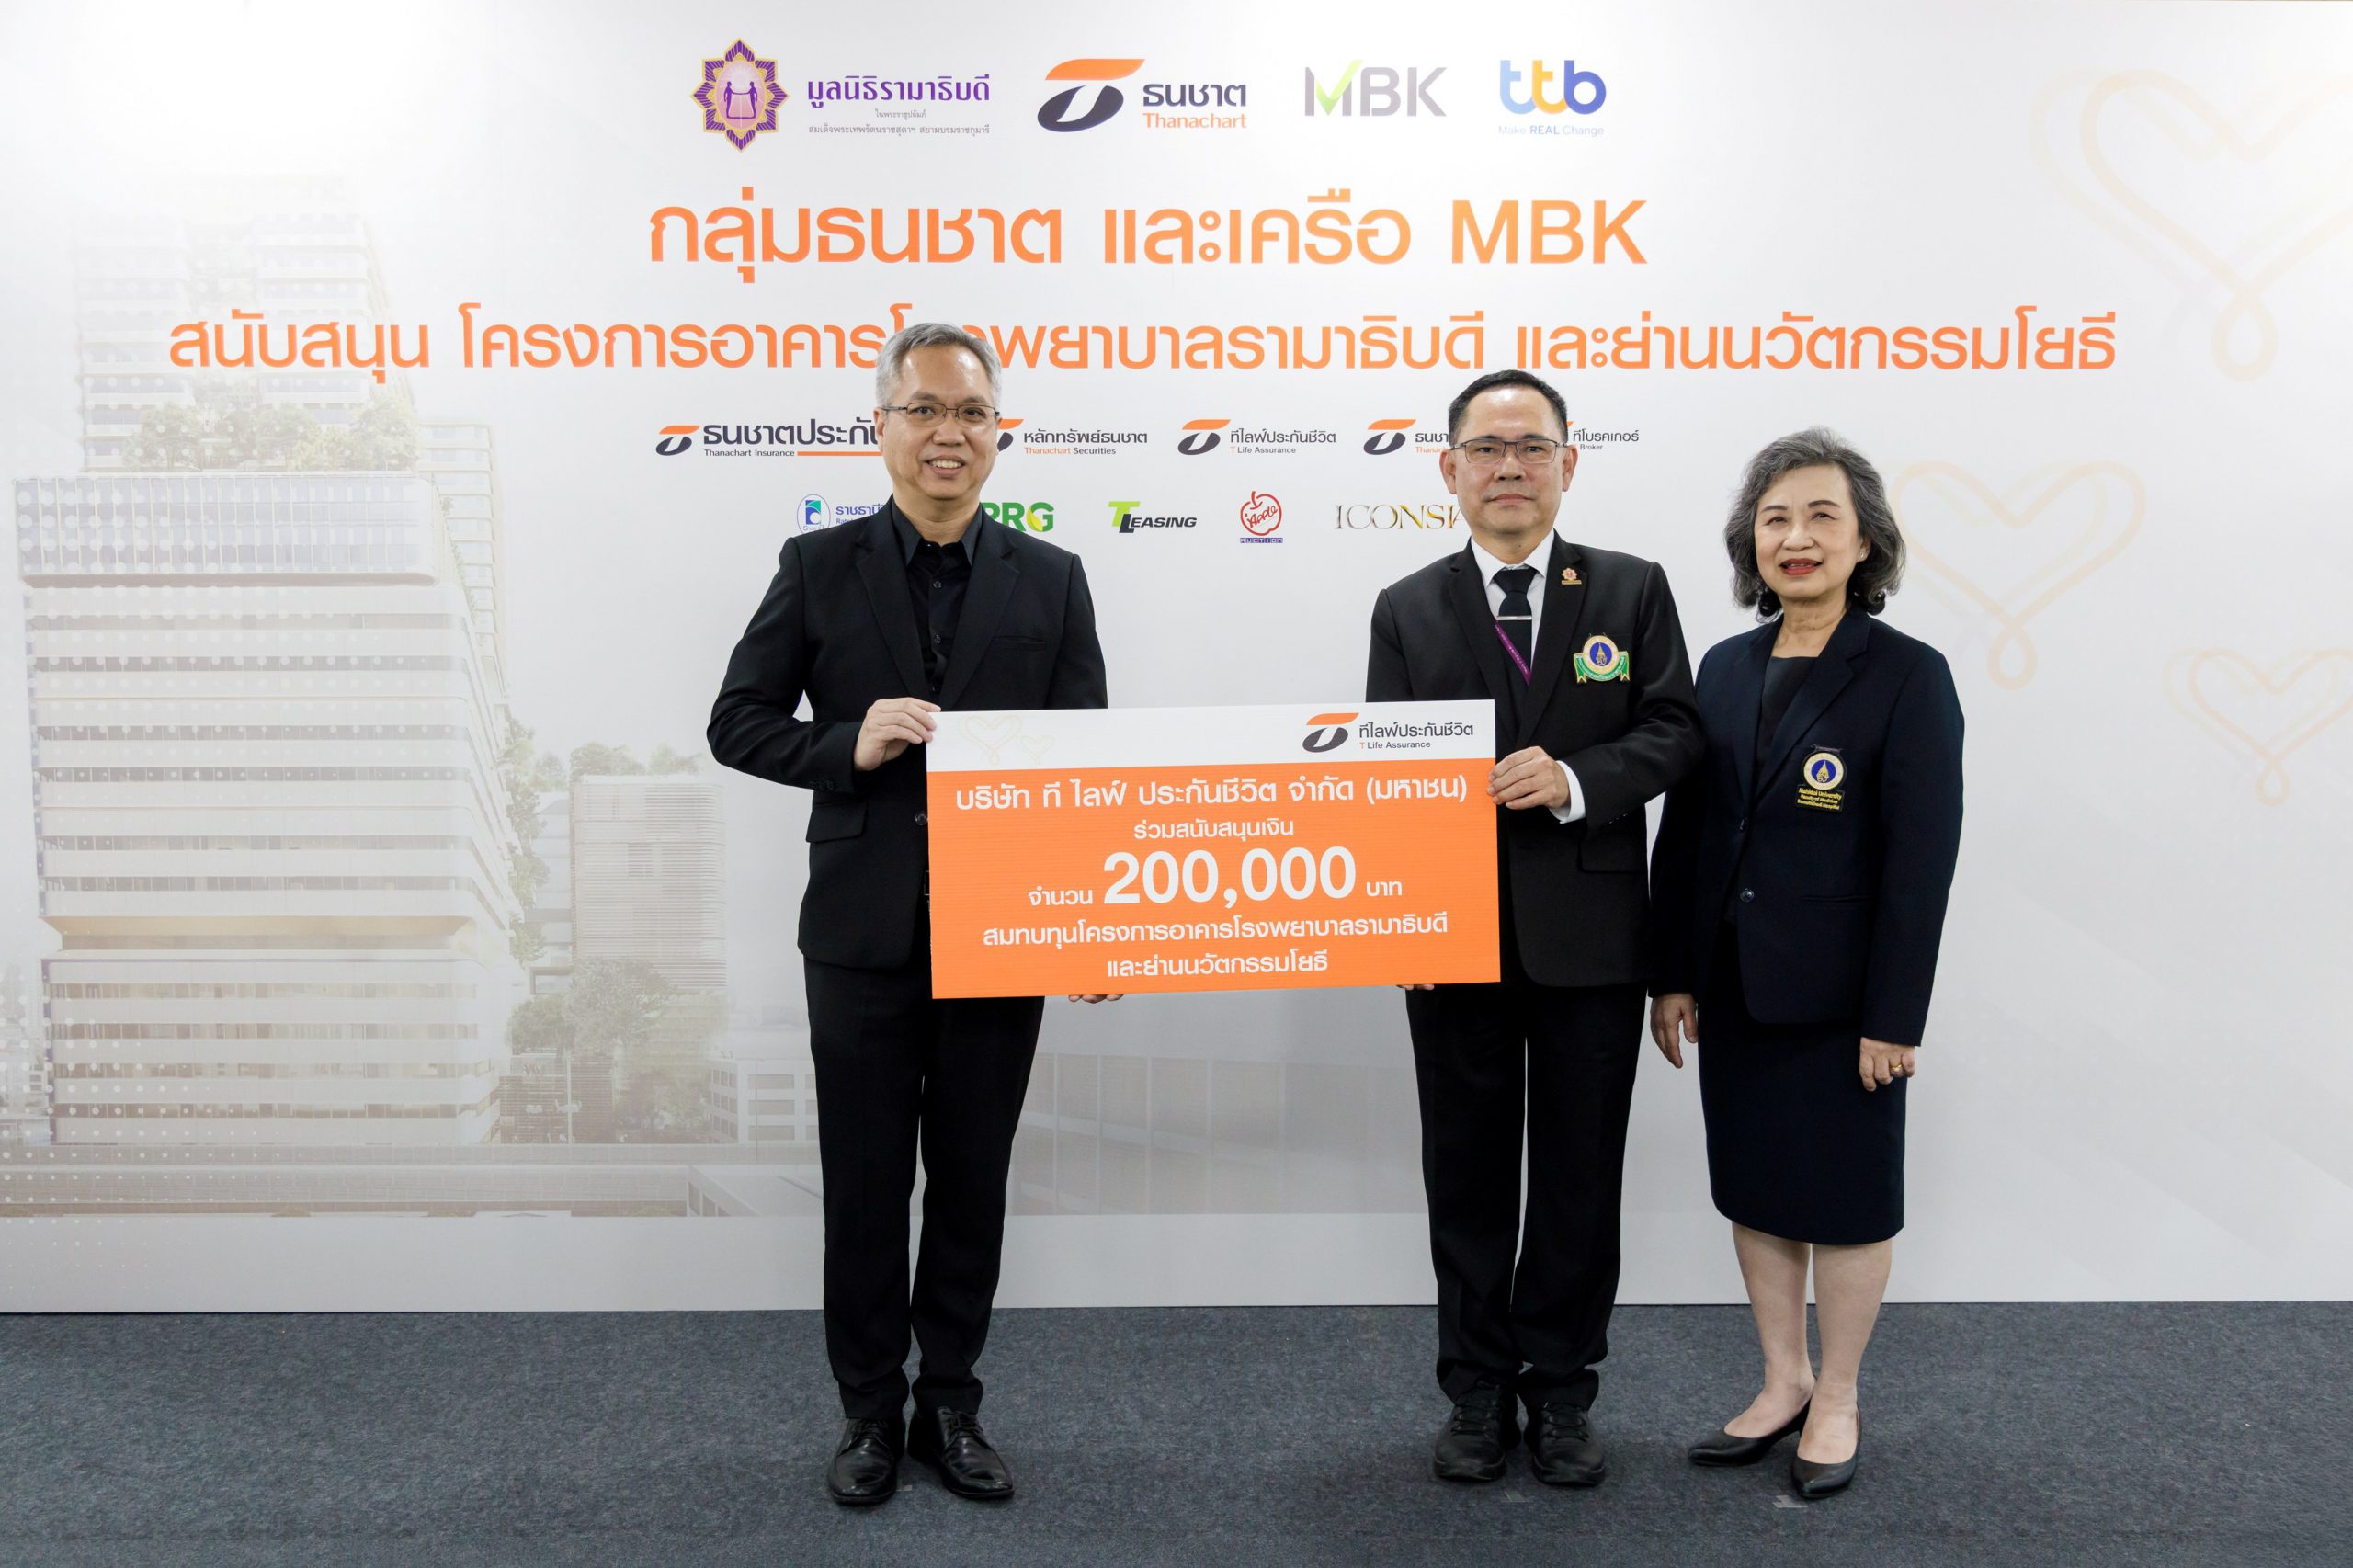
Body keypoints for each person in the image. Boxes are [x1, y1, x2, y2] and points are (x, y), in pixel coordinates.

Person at [708, 322, 1109, 1506]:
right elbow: (737, 721)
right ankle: (869, 1411)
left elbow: (1085, 767)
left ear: (998, 433)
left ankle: (952, 1402)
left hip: (1006, 928)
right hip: (861, 932)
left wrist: (1087, 921)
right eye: (925, 410)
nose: (949, 433)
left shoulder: (1053, 575)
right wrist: (848, 741)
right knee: (867, 1182)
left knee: (972, 1179)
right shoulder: (817, 564)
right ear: (880, 426)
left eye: (971, 413)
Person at [1365, 369, 1704, 1486]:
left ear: (1568, 461)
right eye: (1486, 447)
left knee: (1577, 1176)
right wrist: (1400, 922)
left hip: (1592, 940)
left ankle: (1560, 1389)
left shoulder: (1631, 587)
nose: (1508, 465)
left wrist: (1574, 778)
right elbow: (1380, 779)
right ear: (1447, 466)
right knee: (1463, 1175)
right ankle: (1474, 1388)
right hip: (1449, 937)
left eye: (1530, 445)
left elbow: (1676, 730)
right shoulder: (1406, 605)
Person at [1646, 427, 1964, 1498]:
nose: (1797, 536)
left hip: (1845, 1001)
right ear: (1751, 541)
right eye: (1775, 518)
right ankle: (1781, 1377)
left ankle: (1837, 1392)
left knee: (1849, 1199)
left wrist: (1895, 1015)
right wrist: (1673, 970)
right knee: (1759, 1187)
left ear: (1865, 541)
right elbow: (1689, 830)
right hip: (1733, 984)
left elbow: (1920, 862)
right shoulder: (1723, 667)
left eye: (1823, 516)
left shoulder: (1909, 675)